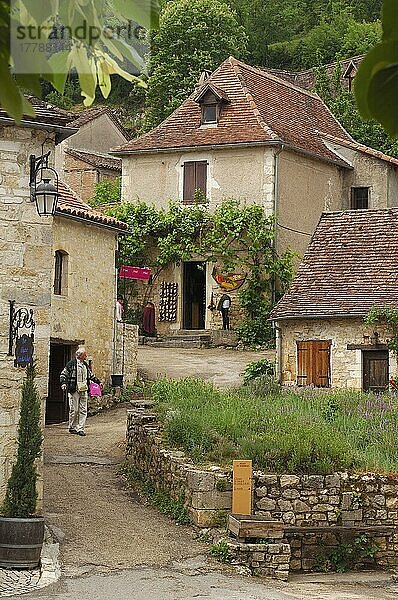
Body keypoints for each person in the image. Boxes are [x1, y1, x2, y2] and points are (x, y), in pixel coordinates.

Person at [60, 346, 101, 437]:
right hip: (74, 389)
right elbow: (63, 374)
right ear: (80, 356)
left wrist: (98, 382)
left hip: (84, 389)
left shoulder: (85, 365)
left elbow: (91, 375)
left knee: (83, 409)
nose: (86, 356)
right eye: (85, 354)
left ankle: (80, 428)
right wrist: (63, 383)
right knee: (74, 409)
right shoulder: (71, 364)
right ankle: (72, 427)